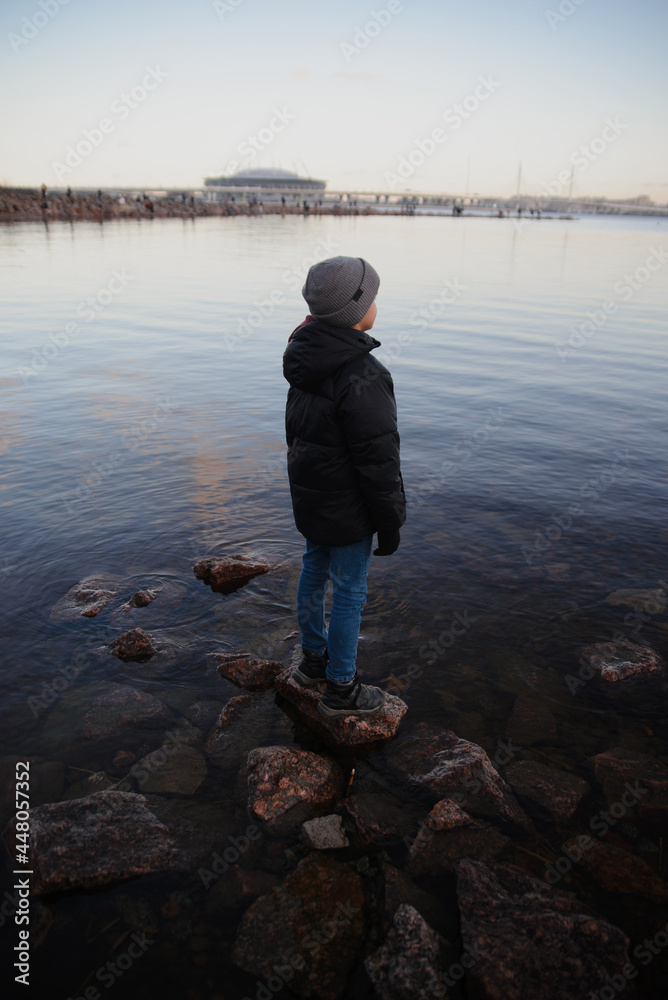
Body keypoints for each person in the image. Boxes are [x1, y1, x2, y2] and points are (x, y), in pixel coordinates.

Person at [283, 256, 406, 717]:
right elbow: (378, 460)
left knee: (314, 570)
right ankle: (341, 689)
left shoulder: (304, 358)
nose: (376, 302)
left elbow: (299, 436)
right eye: (371, 296)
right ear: (354, 309)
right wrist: (389, 522)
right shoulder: (364, 375)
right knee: (350, 588)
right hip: (349, 509)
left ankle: (313, 661)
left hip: (313, 500)